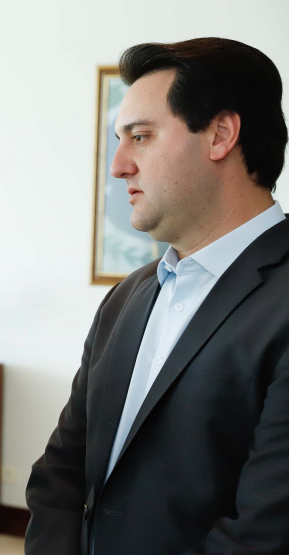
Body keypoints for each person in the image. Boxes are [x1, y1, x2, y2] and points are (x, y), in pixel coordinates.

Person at [25, 38, 289, 555]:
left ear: (220, 135)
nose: (118, 165)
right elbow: (61, 471)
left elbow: (266, 532)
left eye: (140, 137)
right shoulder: (128, 296)